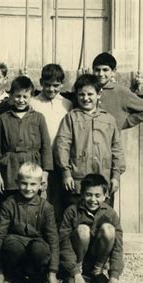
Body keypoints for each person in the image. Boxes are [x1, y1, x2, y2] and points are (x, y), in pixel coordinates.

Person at [55, 74, 126, 206]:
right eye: (81, 94)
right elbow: (62, 146)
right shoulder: (71, 118)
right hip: (77, 183)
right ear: (76, 95)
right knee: (76, 219)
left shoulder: (109, 120)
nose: (85, 98)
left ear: (99, 94)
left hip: (103, 181)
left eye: (90, 94)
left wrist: (115, 177)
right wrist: (66, 173)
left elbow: (117, 149)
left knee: (103, 220)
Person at [0, 163, 61, 283]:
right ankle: (11, 276)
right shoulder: (9, 204)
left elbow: (53, 240)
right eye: (24, 183)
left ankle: (37, 277)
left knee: (40, 249)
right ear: (17, 182)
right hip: (15, 246)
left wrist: (52, 273)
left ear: (41, 185)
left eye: (33, 184)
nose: (28, 188)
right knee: (12, 246)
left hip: (36, 247)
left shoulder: (47, 207)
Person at [59, 174, 124, 283]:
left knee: (109, 229)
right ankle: (77, 273)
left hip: (95, 257)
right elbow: (64, 243)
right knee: (82, 230)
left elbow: (118, 247)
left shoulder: (111, 214)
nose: (93, 200)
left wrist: (114, 276)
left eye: (97, 195)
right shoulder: (72, 211)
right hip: (77, 259)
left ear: (105, 196)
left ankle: (96, 272)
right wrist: (75, 272)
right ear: (82, 194)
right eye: (89, 195)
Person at [0, 76, 53, 196]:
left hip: (33, 169)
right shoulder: (3, 118)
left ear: (31, 97)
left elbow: (46, 146)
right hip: (10, 170)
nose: (21, 100)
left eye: (25, 97)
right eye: (17, 96)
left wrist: (45, 173)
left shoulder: (38, 118)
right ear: (11, 96)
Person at [30, 64, 73, 221]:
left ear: (62, 84)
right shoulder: (32, 103)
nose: (51, 89)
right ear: (41, 82)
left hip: (61, 160)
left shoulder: (67, 104)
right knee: (39, 200)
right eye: (47, 85)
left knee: (58, 202)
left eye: (56, 85)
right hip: (39, 159)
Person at [92, 52, 143, 130]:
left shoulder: (121, 91)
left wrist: (126, 122)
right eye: (97, 70)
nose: (101, 74)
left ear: (113, 71)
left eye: (105, 70)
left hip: (110, 140)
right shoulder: (88, 90)